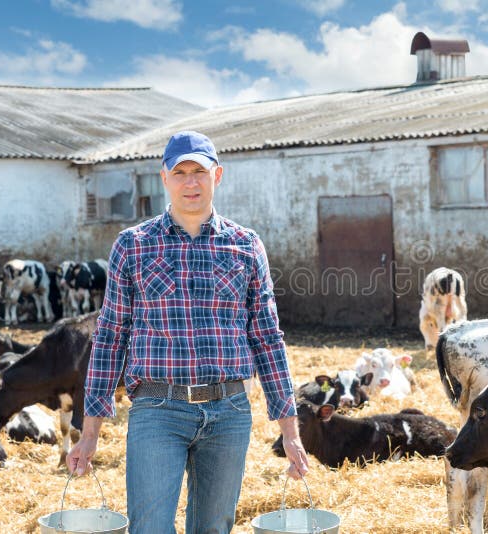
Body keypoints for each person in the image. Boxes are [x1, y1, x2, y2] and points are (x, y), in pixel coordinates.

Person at [66, 130, 308, 534]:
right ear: (164, 178)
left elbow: (267, 338)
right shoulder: (133, 245)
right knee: (150, 527)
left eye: (200, 171)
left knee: (213, 528)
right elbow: (110, 338)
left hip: (229, 410)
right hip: (158, 408)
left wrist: (290, 433)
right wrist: (90, 433)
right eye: (180, 172)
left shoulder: (246, 245)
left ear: (218, 176)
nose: (190, 182)